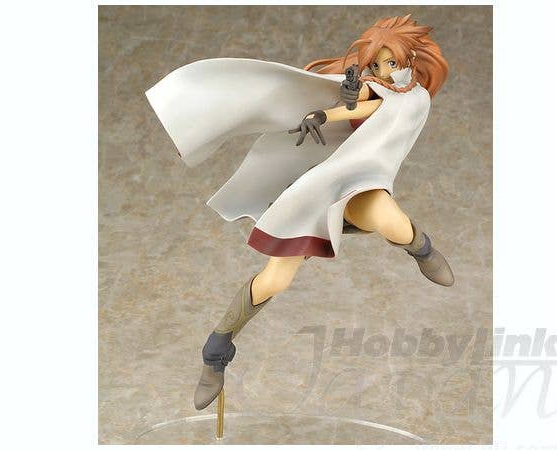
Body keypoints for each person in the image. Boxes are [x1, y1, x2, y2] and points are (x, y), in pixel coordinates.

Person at [146, 14, 454, 411]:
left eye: (390, 62)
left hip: (360, 187)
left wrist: (349, 103)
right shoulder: (374, 88)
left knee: (389, 219)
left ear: (408, 59)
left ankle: (422, 249)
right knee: (275, 280)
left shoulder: (416, 97)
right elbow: (360, 101)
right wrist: (323, 113)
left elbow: (375, 104)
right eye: (376, 65)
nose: (382, 71)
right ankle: (216, 350)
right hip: (319, 192)